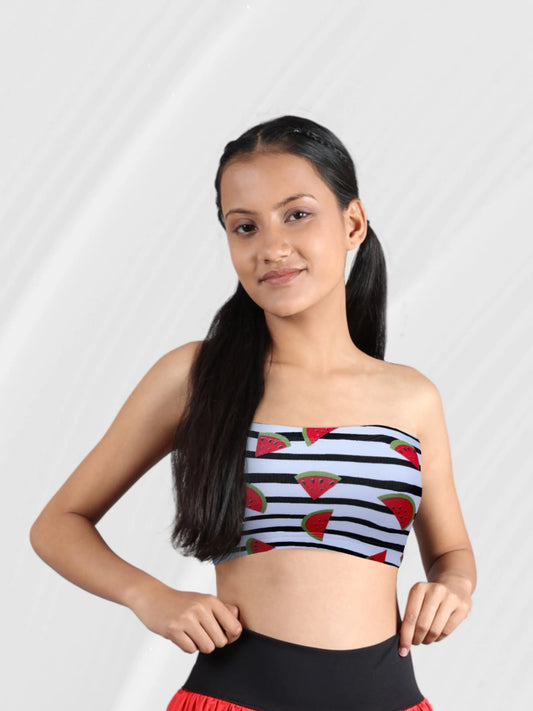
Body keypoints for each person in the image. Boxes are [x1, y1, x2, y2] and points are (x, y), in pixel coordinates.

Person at [30, 114, 476, 711]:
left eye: (297, 215)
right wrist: (149, 597)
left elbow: (450, 553)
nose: (272, 248)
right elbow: (58, 524)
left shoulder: (412, 397)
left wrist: (453, 586)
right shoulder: (198, 376)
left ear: (352, 223)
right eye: (245, 227)